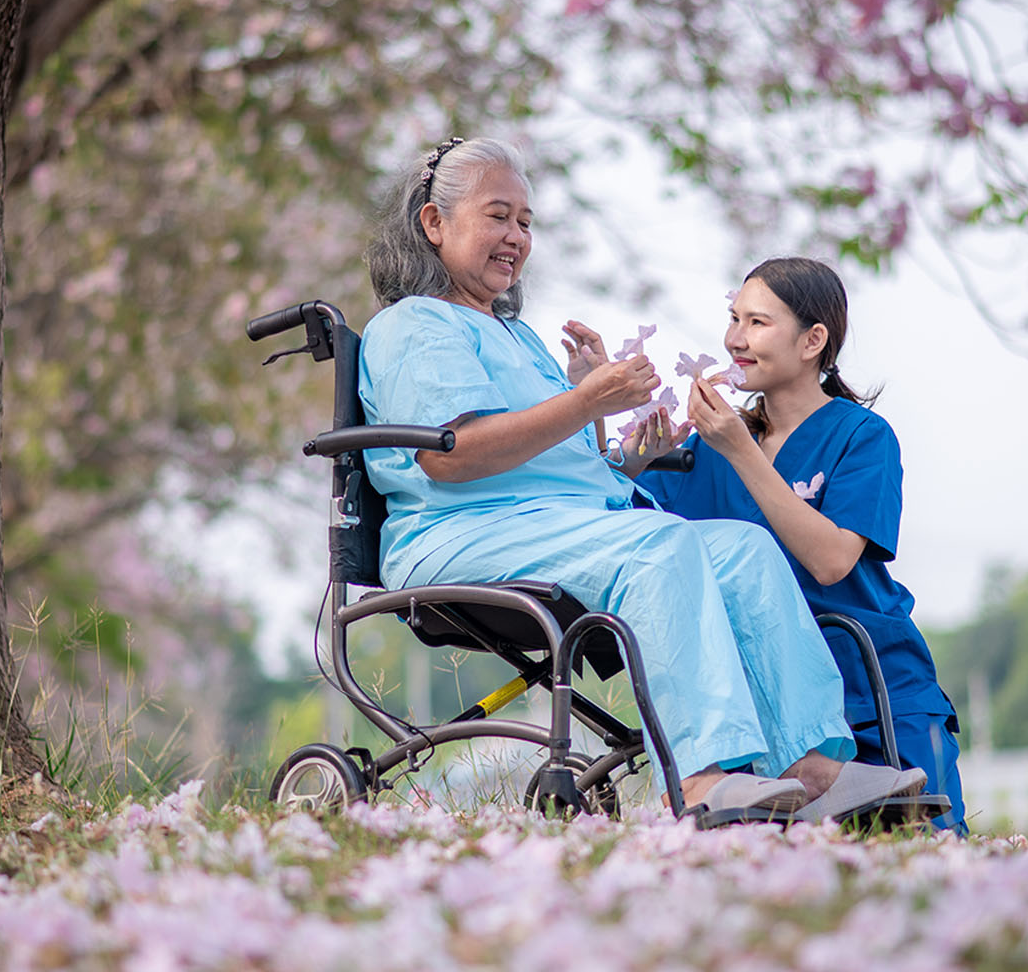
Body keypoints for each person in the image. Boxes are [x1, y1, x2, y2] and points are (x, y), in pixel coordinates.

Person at [357, 137, 923, 818]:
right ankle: (700, 779)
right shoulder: (415, 325)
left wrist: (618, 448)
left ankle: (812, 766)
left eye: (527, 222)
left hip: (552, 528)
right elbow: (452, 453)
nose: (516, 237)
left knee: (743, 548)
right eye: (498, 216)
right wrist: (589, 400)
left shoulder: (517, 336)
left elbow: (558, 467)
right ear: (434, 224)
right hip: (459, 532)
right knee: (661, 542)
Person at [635, 257, 966, 829]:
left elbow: (833, 560)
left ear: (814, 340)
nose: (735, 338)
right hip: (769, 704)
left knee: (924, 849)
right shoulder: (707, 447)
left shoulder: (862, 437)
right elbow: (634, 540)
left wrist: (742, 451)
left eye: (757, 323)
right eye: (733, 318)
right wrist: (617, 442)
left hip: (872, 684)